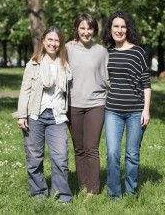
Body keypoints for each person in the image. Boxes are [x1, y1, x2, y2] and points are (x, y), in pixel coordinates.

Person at [12, 26, 73, 204]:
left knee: (60, 158)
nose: (53, 43)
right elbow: (25, 90)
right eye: (50, 40)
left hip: (58, 117)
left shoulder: (65, 63)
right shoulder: (34, 64)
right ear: (44, 41)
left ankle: (61, 196)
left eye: (57, 40)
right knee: (34, 158)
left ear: (60, 42)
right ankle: (38, 193)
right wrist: (22, 115)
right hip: (35, 115)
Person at [100, 11, 151, 200]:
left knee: (131, 154)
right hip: (112, 110)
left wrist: (146, 110)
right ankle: (114, 194)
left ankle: (130, 193)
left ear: (128, 29)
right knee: (112, 153)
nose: (119, 30)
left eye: (123, 26)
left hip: (136, 111)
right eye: (116, 26)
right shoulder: (107, 52)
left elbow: (146, 83)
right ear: (110, 29)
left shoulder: (138, 51)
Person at [66, 13, 109, 195]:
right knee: (79, 149)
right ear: (76, 29)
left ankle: (93, 190)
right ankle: (83, 187)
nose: (86, 32)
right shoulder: (67, 48)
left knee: (91, 147)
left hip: (96, 104)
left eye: (89, 28)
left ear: (94, 30)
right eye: (82, 28)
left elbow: (108, 79)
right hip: (72, 104)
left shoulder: (101, 51)